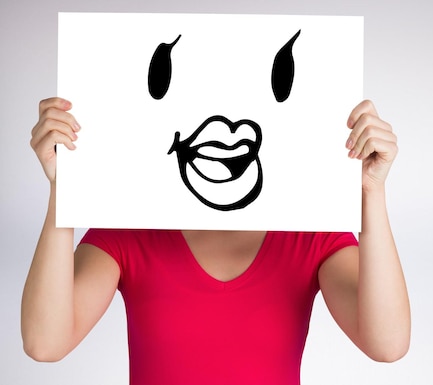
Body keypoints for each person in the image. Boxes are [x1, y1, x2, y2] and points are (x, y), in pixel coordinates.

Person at [22, 97, 410, 385]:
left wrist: (370, 193)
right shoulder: (130, 230)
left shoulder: (310, 234)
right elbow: (45, 343)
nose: (225, 128)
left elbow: (387, 344)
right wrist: (65, 189)